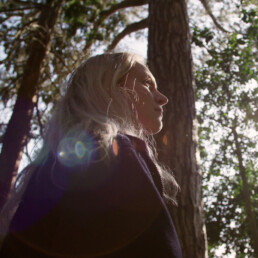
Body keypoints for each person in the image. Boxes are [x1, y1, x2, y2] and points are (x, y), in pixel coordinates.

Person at [0, 52, 182, 257]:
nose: (163, 98)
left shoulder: (47, 171)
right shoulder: (114, 153)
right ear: (110, 88)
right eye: (147, 83)